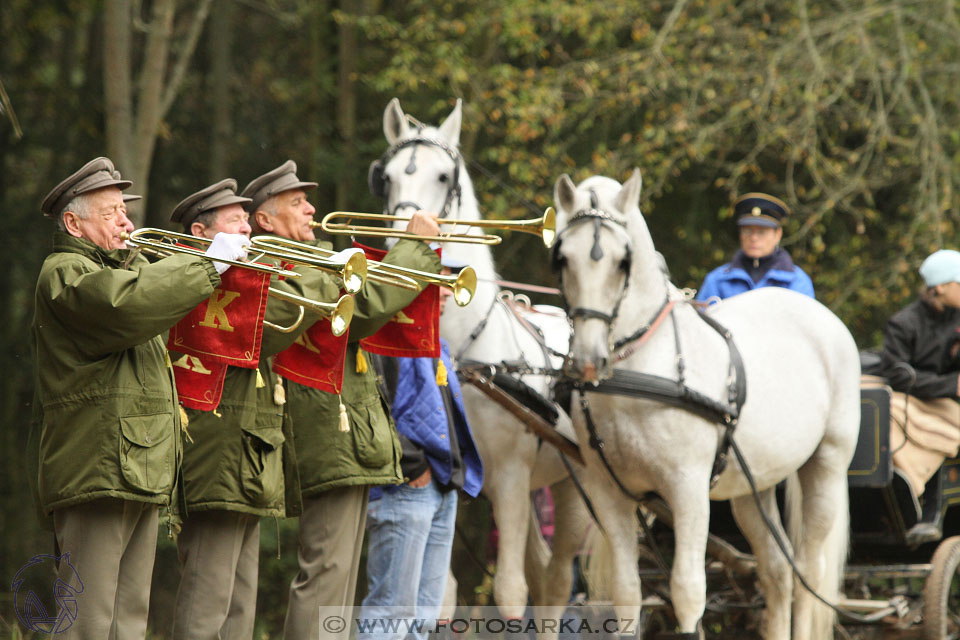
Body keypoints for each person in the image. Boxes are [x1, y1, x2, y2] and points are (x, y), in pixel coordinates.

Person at [31, 157, 249, 639]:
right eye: (111, 213)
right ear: (74, 223)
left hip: (136, 467)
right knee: (87, 624)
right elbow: (124, 304)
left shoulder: (129, 270)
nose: (127, 222)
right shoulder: (65, 272)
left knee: (127, 621)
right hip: (97, 467)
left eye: (123, 211)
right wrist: (208, 263)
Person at [239, 160, 443, 639]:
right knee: (326, 577)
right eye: (296, 203)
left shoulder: (311, 261)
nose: (312, 209)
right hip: (323, 433)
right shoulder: (278, 264)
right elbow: (366, 309)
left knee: (340, 586)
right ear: (265, 220)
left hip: (346, 434)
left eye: (307, 199)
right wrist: (412, 248)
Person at [167, 179, 342, 639]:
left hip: (245, 455)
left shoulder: (242, 276)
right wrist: (323, 268)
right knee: (208, 602)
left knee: (238, 607)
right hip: (218, 454)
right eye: (235, 221)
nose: (247, 228)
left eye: (247, 218)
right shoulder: (206, 279)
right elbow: (283, 321)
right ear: (204, 233)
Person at [361, 260, 484, 639]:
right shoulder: (380, 336)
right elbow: (372, 411)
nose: (448, 291)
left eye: (449, 282)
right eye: (439, 281)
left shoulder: (433, 340)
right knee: (390, 614)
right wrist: (415, 468)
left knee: (422, 621)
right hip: (406, 489)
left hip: (438, 489)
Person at [880, 249, 960, 544]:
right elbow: (898, 375)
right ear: (940, 287)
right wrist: (952, 385)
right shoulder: (903, 323)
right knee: (897, 418)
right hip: (912, 397)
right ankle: (922, 510)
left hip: (946, 401)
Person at [696, 192, 814, 302]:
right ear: (740, 234)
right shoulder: (718, 280)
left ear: (778, 234)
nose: (754, 238)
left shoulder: (797, 282)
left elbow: (806, 323)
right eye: (747, 231)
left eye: (762, 232)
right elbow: (699, 322)